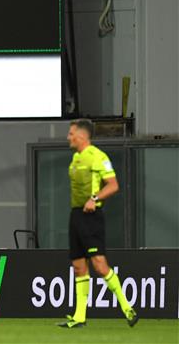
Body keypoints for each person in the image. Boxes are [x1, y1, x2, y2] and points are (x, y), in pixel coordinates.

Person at [59, 119, 138, 329]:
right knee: (78, 266)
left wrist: (94, 199)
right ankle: (79, 317)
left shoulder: (98, 157)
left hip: (91, 217)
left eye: (71, 133)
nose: (68, 137)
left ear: (82, 136)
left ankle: (127, 308)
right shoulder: (76, 158)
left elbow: (113, 185)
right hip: (75, 215)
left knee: (100, 266)